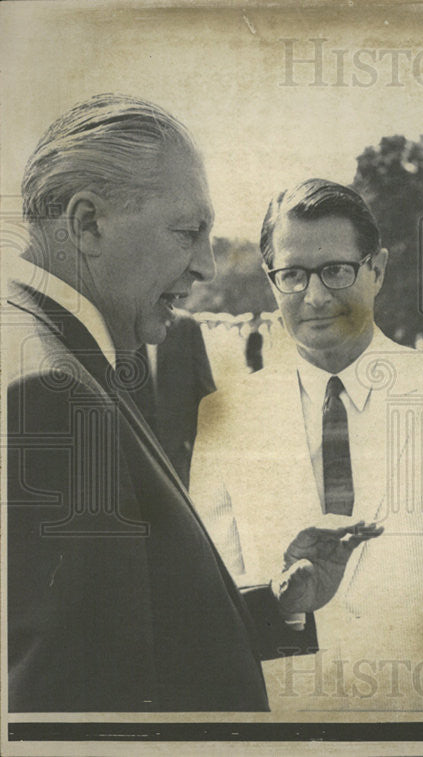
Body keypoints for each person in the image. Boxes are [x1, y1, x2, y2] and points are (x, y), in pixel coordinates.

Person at [4, 94, 380, 712]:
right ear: (87, 223)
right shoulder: (53, 393)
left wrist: (273, 604)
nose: (206, 265)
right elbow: (75, 703)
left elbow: (119, 631)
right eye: (187, 232)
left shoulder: (47, 353)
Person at [190, 179, 423, 711]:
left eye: (337, 270)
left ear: (378, 270)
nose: (316, 295)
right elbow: (215, 611)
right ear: (271, 280)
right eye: (293, 275)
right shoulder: (224, 418)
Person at [130, 311, 216, 487]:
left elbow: (204, 387)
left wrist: (201, 442)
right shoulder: (127, 327)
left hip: (178, 445)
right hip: (140, 447)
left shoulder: (185, 327)